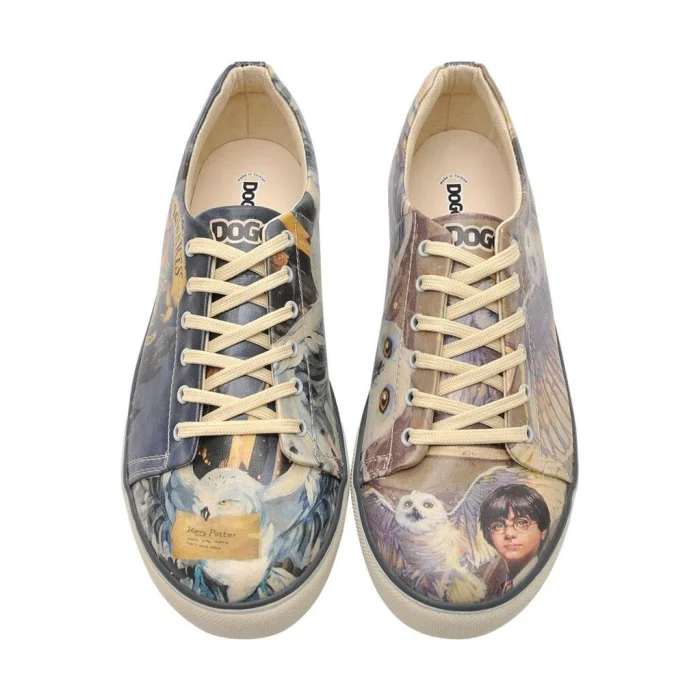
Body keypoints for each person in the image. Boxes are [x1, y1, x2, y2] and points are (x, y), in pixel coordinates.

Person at [477, 484, 551, 599]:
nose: (509, 534)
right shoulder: (494, 588)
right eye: (498, 526)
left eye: (522, 522)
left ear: (543, 531)